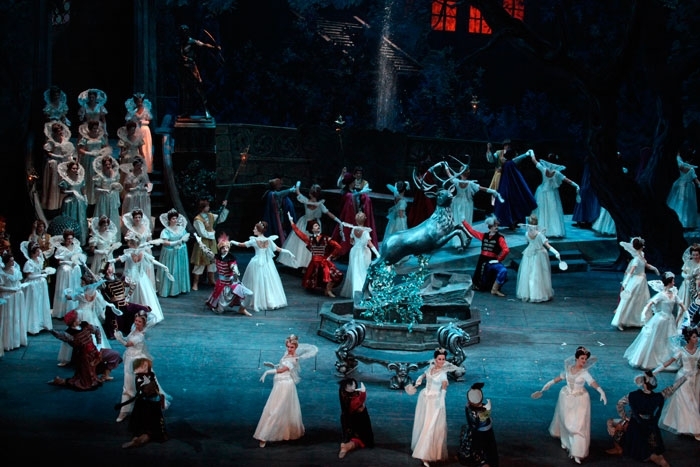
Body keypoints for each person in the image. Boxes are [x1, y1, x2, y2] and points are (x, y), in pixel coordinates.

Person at [532, 346, 607, 465]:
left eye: (585, 359)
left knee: (578, 426)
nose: (584, 361)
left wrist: (601, 391)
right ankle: (566, 442)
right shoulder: (569, 368)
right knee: (566, 421)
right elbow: (561, 377)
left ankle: (577, 452)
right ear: (576, 358)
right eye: (582, 358)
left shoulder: (585, 373)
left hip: (580, 400)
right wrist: (550, 383)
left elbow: (592, 382)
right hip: (566, 397)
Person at [254, 334, 318, 447]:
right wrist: (273, 365)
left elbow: (283, 369)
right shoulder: (287, 355)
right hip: (279, 384)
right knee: (276, 408)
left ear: (296, 347)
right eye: (288, 346)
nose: (289, 349)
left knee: (276, 409)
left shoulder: (294, 359)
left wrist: (267, 372)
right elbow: (281, 365)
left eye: (291, 347)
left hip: (285, 385)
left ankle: (264, 435)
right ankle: (285, 431)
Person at [610, 371, 673, 466]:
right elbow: (672, 388)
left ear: (644, 384)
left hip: (636, 426)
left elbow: (620, 404)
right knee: (651, 446)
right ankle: (658, 457)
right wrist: (685, 377)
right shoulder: (658, 396)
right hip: (651, 426)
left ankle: (619, 449)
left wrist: (625, 417)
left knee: (616, 426)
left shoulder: (634, 395)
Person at [623, 272, 685, 370]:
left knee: (668, 340)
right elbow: (649, 304)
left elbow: (682, 307)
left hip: (670, 321)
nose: (674, 282)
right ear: (669, 282)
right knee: (654, 339)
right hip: (660, 320)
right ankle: (648, 360)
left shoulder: (674, 295)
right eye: (673, 281)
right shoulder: (661, 295)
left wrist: (681, 318)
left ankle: (667, 360)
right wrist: (643, 314)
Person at [48, 309, 122, 390]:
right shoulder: (70, 333)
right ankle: (60, 381)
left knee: (114, 355)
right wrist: (51, 330)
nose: (80, 319)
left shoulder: (84, 325)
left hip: (95, 351)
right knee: (86, 383)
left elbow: (97, 330)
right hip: (85, 358)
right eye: (77, 318)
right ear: (73, 321)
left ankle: (105, 375)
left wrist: (99, 345)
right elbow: (60, 335)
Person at [277, 183, 343, 269]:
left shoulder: (306, 201)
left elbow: (297, 192)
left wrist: (298, 185)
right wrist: (339, 221)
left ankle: (302, 262)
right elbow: (329, 213)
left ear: (310, 193)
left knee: (303, 242)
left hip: (305, 223)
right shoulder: (319, 204)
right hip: (314, 225)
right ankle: (307, 264)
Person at [409, 348, 457, 467]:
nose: (442, 361)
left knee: (431, 426)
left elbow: (444, 385)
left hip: (435, 402)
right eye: (439, 359)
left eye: (443, 359)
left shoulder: (443, 373)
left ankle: (426, 455)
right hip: (425, 399)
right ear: (435, 359)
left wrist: (442, 398)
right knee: (423, 423)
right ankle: (422, 449)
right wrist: (420, 378)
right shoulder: (431, 367)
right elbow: (426, 374)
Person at [230, 221, 290, 312]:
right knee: (265, 280)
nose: (253, 230)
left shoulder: (254, 240)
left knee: (257, 281)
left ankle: (258, 301)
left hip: (257, 262)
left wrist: (232, 241)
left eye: (255, 229)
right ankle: (267, 300)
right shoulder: (268, 240)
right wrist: (288, 252)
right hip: (266, 263)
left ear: (259, 230)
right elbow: (278, 249)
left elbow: (241, 244)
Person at [112, 234, 171, 326]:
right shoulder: (138, 253)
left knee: (138, 294)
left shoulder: (131, 253)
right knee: (141, 293)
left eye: (129, 243)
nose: (128, 244)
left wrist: (111, 261)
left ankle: (139, 314)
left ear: (132, 244)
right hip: (139, 277)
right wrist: (163, 266)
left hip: (133, 277)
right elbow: (152, 261)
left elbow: (119, 259)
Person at [656, 326, 700, 440]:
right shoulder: (681, 350)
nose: (696, 339)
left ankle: (682, 424)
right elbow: (669, 362)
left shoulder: (698, 350)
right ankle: (693, 429)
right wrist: (655, 371)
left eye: (696, 337)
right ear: (688, 338)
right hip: (683, 379)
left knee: (693, 400)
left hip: (695, 378)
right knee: (687, 401)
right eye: (694, 337)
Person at [444, 161, 500, 248]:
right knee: (465, 221)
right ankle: (463, 239)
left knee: (458, 220)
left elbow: (449, 175)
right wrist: (493, 191)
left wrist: (446, 166)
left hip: (458, 202)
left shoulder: (457, 181)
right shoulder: (470, 183)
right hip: (466, 203)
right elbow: (483, 188)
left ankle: (459, 240)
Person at [194, 232, 252, 316]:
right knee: (219, 310)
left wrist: (235, 271)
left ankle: (242, 309)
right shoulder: (216, 258)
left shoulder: (231, 259)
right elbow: (206, 251)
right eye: (223, 248)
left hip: (233, 284)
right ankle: (218, 305)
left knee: (250, 294)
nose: (225, 249)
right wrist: (200, 241)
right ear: (220, 249)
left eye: (227, 247)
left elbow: (233, 266)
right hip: (222, 286)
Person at [289, 213, 344, 298]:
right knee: (315, 278)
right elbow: (299, 233)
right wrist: (291, 222)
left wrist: (331, 256)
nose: (317, 227)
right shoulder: (310, 240)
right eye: (315, 226)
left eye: (318, 225)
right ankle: (325, 290)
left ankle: (328, 289)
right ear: (312, 229)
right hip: (314, 263)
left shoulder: (325, 238)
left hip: (324, 262)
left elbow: (338, 246)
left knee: (335, 275)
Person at [611, 237, 660, 331]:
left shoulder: (641, 255)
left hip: (642, 281)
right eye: (643, 245)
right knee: (629, 300)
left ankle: (639, 320)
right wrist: (626, 281)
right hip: (636, 281)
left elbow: (645, 265)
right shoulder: (636, 259)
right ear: (641, 247)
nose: (644, 247)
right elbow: (631, 271)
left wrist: (654, 268)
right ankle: (620, 321)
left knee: (641, 300)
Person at [119, 357, 169, 448]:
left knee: (144, 425)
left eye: (146, 366)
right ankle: (139, 439)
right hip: (147, 404)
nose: (145, 368)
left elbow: (149, 388)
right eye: (142, 366)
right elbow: (147, 389)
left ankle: (138, 439)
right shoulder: (142, 377)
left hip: (147, 403)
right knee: (147, 424)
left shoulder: (146, 376)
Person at [530, 151, 581, 238]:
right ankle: (553, 230)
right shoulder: (557, 173)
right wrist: (576, 185)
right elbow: (568, 180)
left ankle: (542, 230)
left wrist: (531, 152)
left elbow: (534, 160)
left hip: (542, 192)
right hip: (552, 194)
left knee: (543, 211)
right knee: (553, 212)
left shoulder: (543, 169)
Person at [114, 311, 152, 423]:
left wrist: (119, 338)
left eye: (139, 321)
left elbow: (128, 344)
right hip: (129, 359)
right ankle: (129, 408)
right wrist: (122, 336)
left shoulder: (141, 335)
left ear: (144, 323)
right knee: (130, 385)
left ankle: (125, 411)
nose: (136, 323)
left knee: (131, 385)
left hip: (136, 362)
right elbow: (128, 338)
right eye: (136, 320)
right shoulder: (134, 329)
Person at [99, 261, 151, 340]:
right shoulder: (103, 281)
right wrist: (109, 303)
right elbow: (103, 295)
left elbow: (133, 284)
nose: (108, 270)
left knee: (144, 309)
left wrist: (128, 297)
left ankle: (136, 328)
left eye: (109, 267)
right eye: (106, 269)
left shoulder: (119, 277)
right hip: (114, 306)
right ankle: (115, 332)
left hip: (124, 303)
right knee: (112, 317)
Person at [333, 166, 378, 256]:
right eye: (353, 182)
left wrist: (362, 197)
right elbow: (351, 205)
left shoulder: (353, 191)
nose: (355, 183)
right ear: (350, 183)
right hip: (349, 218)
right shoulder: (348, 195)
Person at [515, 214, 561, 303]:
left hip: (529, 255)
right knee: (538, 274)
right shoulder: (540, 234)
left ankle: (528, 294)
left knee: (529, 274)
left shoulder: (527, 234)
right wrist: (556, 252)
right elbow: (547, 246)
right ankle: (537, 294)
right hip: (539, 255)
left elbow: (528, 243)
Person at [462, 215, 510, 297]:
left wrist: (499, 259)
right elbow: (472, 231)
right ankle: (483, 286)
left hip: (492, 260)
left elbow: (506, 250)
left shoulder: (500, 238)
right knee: (481, 277)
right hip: (482, 260)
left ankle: (494, 288)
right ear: (490, 227)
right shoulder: (484, 236)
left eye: (497, 225)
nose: (496, 227)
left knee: (502, 270)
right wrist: (464, 222)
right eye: (494, 226)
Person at [178, 24, 220, 119]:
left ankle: (206, 110)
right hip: (183, 70)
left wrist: (214, 48)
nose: (183, 34)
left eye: (184, 32)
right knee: (186, 91)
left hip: (192, 68)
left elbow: (204, 45)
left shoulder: (192, 41)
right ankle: (187, 112)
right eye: (181, 32)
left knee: (199, 89)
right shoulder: (181, 43)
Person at [493, 147, 537, 230]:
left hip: (506, 187)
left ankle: (512, 222)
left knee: (510, 205)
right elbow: (517, 162)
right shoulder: (510, 164)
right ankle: (511, 222)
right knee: (513, 205)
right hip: (509, 188)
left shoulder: (506, 163)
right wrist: (526, 154)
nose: (516, 154)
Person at [190, 198, 228, 290]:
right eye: (207, 206)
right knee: (200, 262)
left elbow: (221, 218)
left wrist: (224, 207)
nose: (209, 208)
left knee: (212, 262)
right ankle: (195, 283)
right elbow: (202, 233)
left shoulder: (210, 216)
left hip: (211, 243)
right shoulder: (198, 219)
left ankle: (211, 280)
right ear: (202, 208)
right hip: (203, 242)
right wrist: (212, 234)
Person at [339, 212, 379, 300]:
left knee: (355, 271)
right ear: (365, 219)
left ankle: (356, 290)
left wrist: (357, 243)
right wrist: (377, 254)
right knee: (363, 271)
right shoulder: (365, 232)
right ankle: (361, 290)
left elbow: (351, 241)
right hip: (363, 252)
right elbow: (370, 244)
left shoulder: (353, 230)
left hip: (354, 251)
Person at [458, 382, 499, 467]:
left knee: (479, 450)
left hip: (477, 432)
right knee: (486, 450)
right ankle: (485, 462)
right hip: (483, 433)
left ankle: (482, 461)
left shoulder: (468, 407)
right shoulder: (484, 410)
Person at [19, 240, 53, 335]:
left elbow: (39, 270)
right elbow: (29, 276)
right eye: (37, 251)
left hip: (40, 284)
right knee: (34, 304)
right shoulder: (29, 263)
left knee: (41, 303)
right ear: (33, 252)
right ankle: (32, 326)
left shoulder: (39, 260)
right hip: (33, 285)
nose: (39, 252)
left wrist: (44, 272)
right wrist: (40, 275)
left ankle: (42, 324)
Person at [41, 120, 75, 211]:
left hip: (63, 163)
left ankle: (62, 204)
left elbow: (68, 150)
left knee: (63, 183)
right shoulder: (51, 141)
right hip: (55, 163)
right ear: (55, 132)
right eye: (58, 131)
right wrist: (58, 156)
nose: (60, 132)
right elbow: (48, 153)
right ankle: (53, 205)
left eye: (61, 130)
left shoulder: (65, 139)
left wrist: (69, 158)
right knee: (54, 184)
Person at [337, 377, 374, 459]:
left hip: (352, 417)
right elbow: (360, 400)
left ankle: (346, 445)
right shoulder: (351, 401)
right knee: (360, 439)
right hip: (357, 420)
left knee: (353, 436)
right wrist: (363, 392)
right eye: (352, 386)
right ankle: (346, 447)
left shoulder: (345, 394)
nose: (354, 387)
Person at [51, 229, 84, 320]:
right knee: (66, 279)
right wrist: (68, 262)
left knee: (75, 283)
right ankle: (62, 311)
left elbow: (80, 259)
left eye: (71, 238)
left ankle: (74, 309)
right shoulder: (61, 249)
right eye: (68, 239)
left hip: (74, 269)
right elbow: (59, 262)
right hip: (65, 269)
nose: (70, 240)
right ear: (65, 239)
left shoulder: (77, 248)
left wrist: (75, 262)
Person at [156, 209, 191, 297]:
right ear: (169, 220)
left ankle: (181, 288)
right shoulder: (166, 231)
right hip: (170, 253)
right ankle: (170, 290)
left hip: (181, 252)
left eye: (176, 218)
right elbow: (164, 242)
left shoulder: (181, 228)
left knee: (180, 269)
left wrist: (183, 241)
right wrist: (175, 243)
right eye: (173, 219)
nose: (175, 220)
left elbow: (186, 236)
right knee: (172, 270)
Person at [77, 119, 110, 206]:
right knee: (89, 178)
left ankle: (96, 200)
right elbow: (80, 149)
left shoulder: (100, 137)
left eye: (96, 128)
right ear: (90, 129)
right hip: (88, 160)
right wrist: (89, 153)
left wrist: (101, 152)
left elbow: (105, 147)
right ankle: (89, 199)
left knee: (98, 178)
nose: (95, 130)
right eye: (94, 128)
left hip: (98, 160)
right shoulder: (85, 138)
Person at [0, 251, 27, 351]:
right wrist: (11, 289)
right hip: (7, 297)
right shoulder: (2, 273)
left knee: (17, 317)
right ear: (6, 262)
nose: (13, 263)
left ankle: (17, 340)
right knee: (9, 317)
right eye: (11, 261)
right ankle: (7, 342)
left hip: (17, 296)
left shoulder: (16, 270)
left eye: (13, 260)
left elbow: (18, 281)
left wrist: (19, 287)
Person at [57, 160, 88, 245]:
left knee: (80, 219)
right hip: (70, 202)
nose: (75, 170)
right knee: (71, 219)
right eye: (73, 168)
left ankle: (80, 240)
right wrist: (71, 191)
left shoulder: (80, 178)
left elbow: (83, 189)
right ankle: (68, 240)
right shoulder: (66, 179)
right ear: (69, 169)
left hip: (79, 201)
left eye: (76, 168)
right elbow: (62, 191)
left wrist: (85, 197)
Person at [666, 151, 700, 230]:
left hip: (683, 186)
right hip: (685, 187)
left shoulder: (682, 166)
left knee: (682, 204)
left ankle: (682, 222)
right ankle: (683, 222)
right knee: (685, 205)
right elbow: (696, 180)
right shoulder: (690, 168)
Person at [92, 154, 123, 239]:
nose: (108, 166)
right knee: (103, 214)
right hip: (103, 197)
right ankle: (101, 237)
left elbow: (117, 185)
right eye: (106, 164)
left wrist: (116, 188)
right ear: (103, 165)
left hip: (112, 197)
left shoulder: (115, 174)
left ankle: (113, 238)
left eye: (109, 164)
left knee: (113, 215)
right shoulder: (100, 176)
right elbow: (96, 188)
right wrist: (104, 190)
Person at [261, 177, 298, 247]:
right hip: (272, 217)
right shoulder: (270, 194)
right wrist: (290, 190)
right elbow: (278, 194)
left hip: (278, 216)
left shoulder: (275, 194)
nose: (280, 186)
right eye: (279, 185)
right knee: (274, 231)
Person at [122, 209, 155, 286]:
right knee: (135, 270)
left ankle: (147, 287)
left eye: (139, 217)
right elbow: (129, 243)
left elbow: (149, 240)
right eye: (136, 217)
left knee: (146, 269)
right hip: (135, 252)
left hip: (145, 250)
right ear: (133, 218)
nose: (137, 219)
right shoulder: (131, 230)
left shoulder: (146, 228)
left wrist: (146, 245)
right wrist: (136, 248)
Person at [124, 92, 154, 173]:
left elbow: (149, 120)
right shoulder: (133, 111)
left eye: (140, 101)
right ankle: (137, 167)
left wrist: (143, 122)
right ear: (135, 102)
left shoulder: (146, 110)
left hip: (145, 130)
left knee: (146, 147)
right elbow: (129, 121)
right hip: (137, 130)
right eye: (138, 102)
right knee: (138, 148)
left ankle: (147, 167)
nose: (139, 103)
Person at [408, 157, 437, 227]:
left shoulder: (424, 175)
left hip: (423, 195)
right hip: (424, 196)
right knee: (423, 211)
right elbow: (431, 185)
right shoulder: (426, 174)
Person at [571, 162, 600, 229]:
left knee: (589, 197)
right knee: (585, 196)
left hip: (592, 180)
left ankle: (587, 220)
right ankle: (583, 219)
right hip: (589, 179)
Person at [677, 243, 700, 309]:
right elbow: (683, 272)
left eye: (697, 255)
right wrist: (687, 276)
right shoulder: (688, 262)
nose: (695, 257)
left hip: (698, 285)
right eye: (693, 255)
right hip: (687, 285)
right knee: (687, 302)